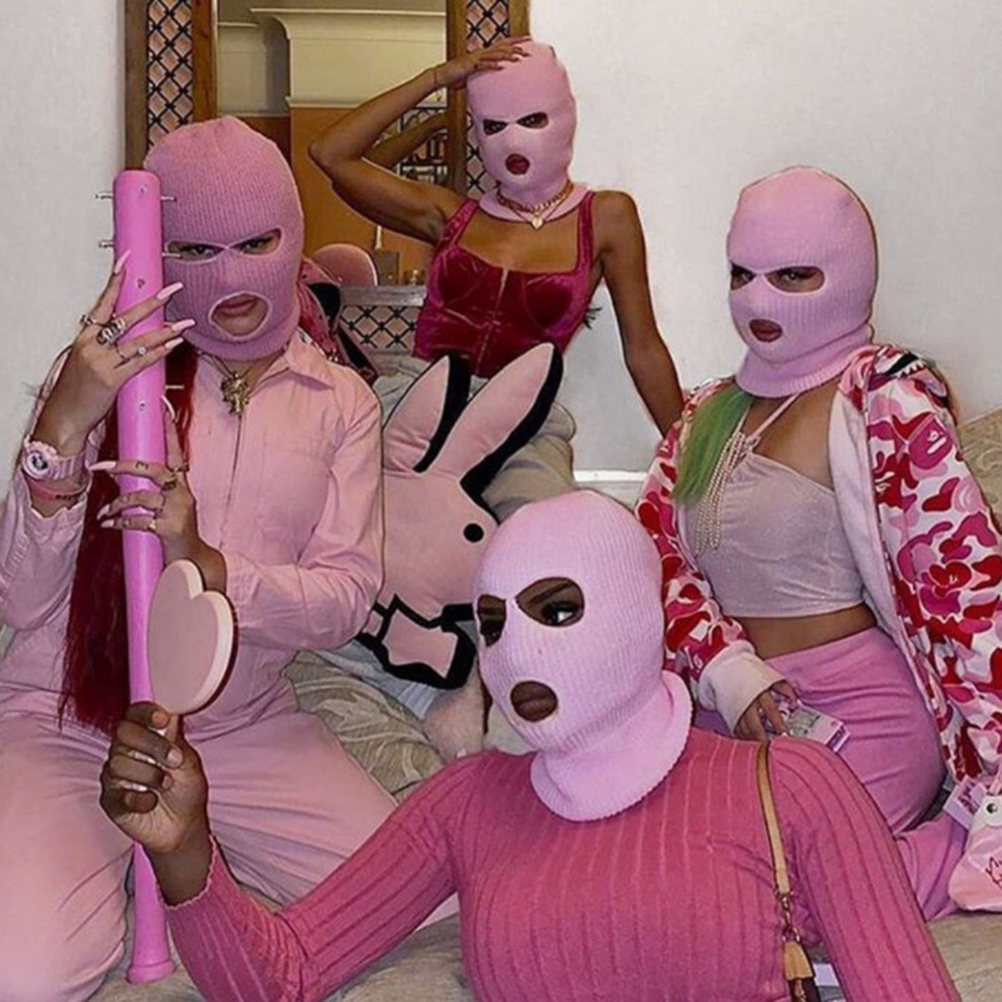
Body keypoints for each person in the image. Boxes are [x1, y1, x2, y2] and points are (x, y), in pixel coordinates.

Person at [101, 492, 959, 1002]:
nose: (516, 650)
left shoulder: (793, 786)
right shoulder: (468, 802)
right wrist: (183, 850)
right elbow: (279, 978)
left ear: (637, 613)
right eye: (493, 623)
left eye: (558, 610)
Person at [0, 117, 397, 1001]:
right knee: (23, 975)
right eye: (193, 249)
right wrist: (63, 424)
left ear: (292, 232)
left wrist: (207, 565)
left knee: (417, 901)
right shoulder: (107, 369)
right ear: (156, 251)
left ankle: (192, 877)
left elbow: (343, 601)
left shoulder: (340, 404)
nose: (230, 275)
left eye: (255, 243)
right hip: (66, 717)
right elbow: (21, 602)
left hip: (238, 727)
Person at [637, 165, 1002, 903]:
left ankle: (951, 851)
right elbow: (652, 558)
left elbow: (966, 588)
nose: (758, 300)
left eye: (793, 275)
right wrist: (726, 669)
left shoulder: (888, 404)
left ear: (848, 274)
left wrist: (994, 766)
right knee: (681, 892)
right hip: (723, 711)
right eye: (741, 274)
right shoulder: (704, 413)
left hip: (863, 714)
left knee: (792, 901)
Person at [309, 38, 682, 519]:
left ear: (564, 117)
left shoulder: (606, 216)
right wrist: (437, 80)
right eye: (493, 126)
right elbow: (331, 153)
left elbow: (644, 348)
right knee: (354, 520)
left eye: (532, 119)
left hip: (522, 420)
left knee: (544, 539)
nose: (513, 140)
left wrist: (691, 455)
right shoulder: (450, 215)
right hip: (418, 400)